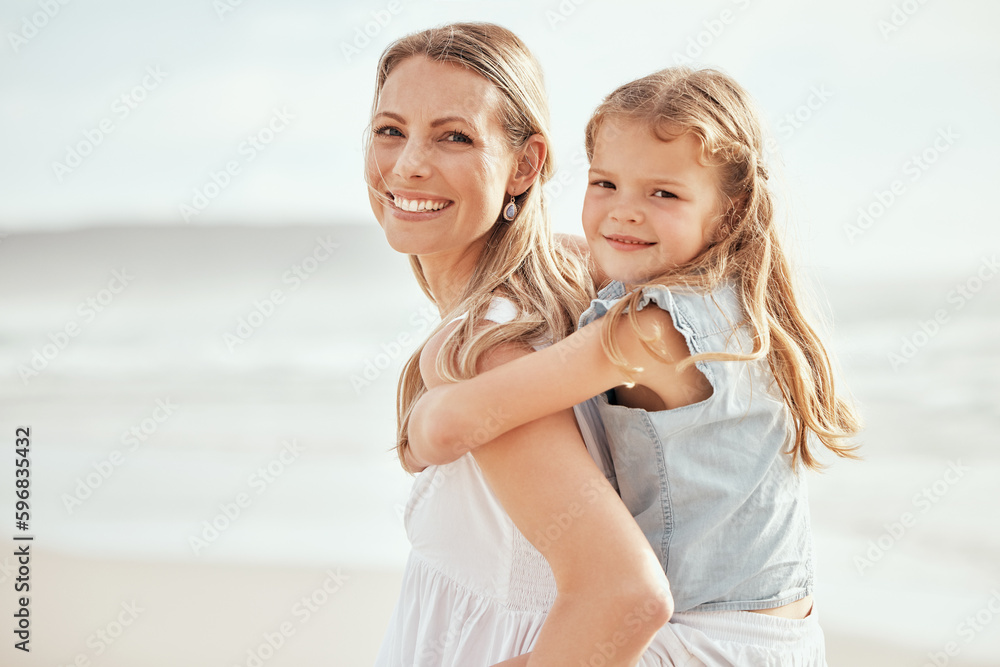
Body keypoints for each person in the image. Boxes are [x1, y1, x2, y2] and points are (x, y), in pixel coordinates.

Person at [408, 66, 863, 665]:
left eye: (663, 193)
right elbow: (569, 254)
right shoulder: (731, 301)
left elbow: (450, 427)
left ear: (730, 212)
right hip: (779, 635)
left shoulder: (651, 333)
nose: (623, 213)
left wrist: (435, 377)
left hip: (703, 640)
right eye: (604, 184)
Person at [366, 23, 672, 667]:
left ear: (526, 165)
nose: (408, 164)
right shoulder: (570, 284)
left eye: (454, 137)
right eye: (390, 130)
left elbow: (624, 594)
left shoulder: (487, 349)